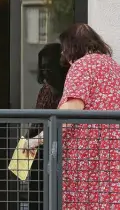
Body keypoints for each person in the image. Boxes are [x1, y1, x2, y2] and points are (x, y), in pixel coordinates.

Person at [24, 23, 120, 209]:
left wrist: (37, 140)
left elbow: (70, 110)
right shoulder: (113, 66)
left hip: (85, 157)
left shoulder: (81, 66)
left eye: (63, 50)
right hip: (111, 157)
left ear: (71, 47)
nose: (62, 56)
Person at [24, 43, 68, 210]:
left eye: (50, 67)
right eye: (43, 68)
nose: (46, 72)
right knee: (37, 199)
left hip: (62, 154)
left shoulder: (70, 91)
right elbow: (36, 121)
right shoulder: (44, 91)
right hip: (39, 153)